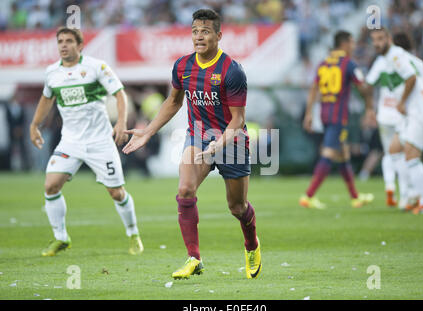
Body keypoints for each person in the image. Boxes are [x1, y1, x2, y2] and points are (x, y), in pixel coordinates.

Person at [122, 9, 261, 280]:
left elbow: (238, 119)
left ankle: (252, 245)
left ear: (218, 36)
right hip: (197, 137)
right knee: (185, 190)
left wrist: (219, 143)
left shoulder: (232, 71)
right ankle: (194, 258)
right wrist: (148, 131)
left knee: (237, 207)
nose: (199, 36)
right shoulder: (183, 66)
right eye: (195, 31)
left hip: (230, 141)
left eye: (206, 31)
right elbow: (173, 102)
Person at [29, 27, 144, 256]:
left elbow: (120, 94)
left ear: (79, 45)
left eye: (69, 41)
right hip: (70, 143)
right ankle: (61, 238)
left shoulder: (96, 67)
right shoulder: (52, 72)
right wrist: (34, 125)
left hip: (99, 142)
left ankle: (133, 234)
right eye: (60, 41)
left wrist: (120, 122)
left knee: (116, 192)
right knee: (50, 186)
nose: (63, 45)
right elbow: (46, 98)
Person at [301, 30, 375, 209]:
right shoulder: (348, 63)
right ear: (344, 44)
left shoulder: (323, 63)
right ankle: (308, 196)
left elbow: (313, 88)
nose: (354, 46)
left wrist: (309, 113)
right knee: (329, 153)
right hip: (338, 115)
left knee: (343, 154)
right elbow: (363, 86)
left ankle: (355, 197)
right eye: (352, 42)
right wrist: (370, 108)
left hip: (324, 113)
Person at [368, 28, 423, 214]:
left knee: (412, 157)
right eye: (374, 40)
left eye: (380, 39)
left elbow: (411, 78)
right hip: (410, 114)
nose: (377, 43)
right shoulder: (389, 59)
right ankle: (411, 194)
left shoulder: (396, 56)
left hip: (419, 112)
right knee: (394, 149)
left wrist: (402, 102)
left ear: (389, 39)